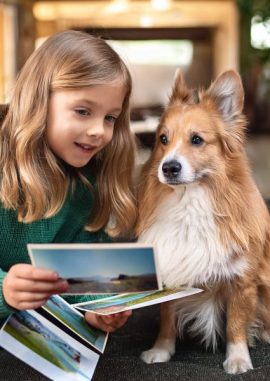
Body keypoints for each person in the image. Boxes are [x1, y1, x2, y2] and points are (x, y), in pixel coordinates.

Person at [0, 30, 137, 333]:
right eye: (83, 111)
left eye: (110, 118)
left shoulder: (88, 183)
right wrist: (4, 289)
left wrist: (95, 307)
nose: (98, 131)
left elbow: (78, 271)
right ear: (39, 99)